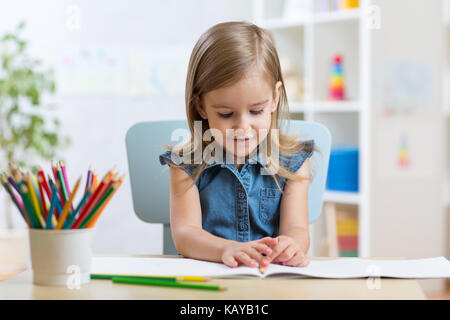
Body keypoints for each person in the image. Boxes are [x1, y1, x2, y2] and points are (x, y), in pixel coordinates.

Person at [160, 21, 314, 269]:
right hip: (206, 281)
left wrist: (292, 245)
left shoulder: (294, 163)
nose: (242, 127)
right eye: (226, 114)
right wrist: (226, 249)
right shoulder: (185, 164)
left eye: (256, 110)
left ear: (275, 98)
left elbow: (297, 229)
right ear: (201, 106)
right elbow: (185, 236)